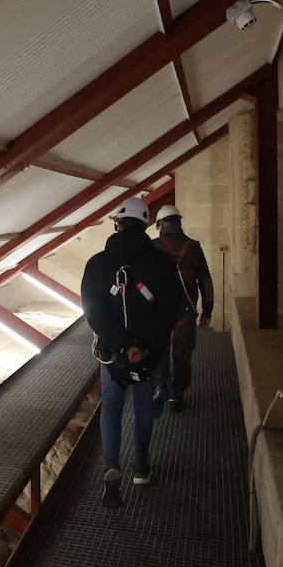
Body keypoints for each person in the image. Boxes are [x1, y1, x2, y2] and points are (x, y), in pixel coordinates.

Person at [81, 197, 181, 507]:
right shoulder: (163, 263)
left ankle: (112, 465)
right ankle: (141, 468)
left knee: (110, 405)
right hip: (148, 355)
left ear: (117, 224)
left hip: (112, 355)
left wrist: (121, 345)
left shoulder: (97, 264)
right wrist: (144, 346)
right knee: (142, 410)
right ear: (147, 224)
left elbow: (93, 311)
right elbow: (169, 311)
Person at [152, 204, 215, 413]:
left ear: (160, 223)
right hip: (185, 313)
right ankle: (176, 397)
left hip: (158, 313)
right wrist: (207, 311)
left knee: (159, 351)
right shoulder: (194, 246)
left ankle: (161, 387)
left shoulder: (152, 246)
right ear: (179, 221)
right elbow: (205, 281)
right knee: (183, 354)